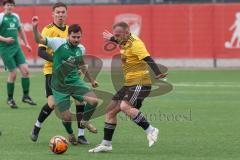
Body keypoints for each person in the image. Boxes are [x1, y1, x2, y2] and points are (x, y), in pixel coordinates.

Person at [89, 22, 167, 153]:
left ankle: (151, 130)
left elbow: (147, 58)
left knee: (125, 106)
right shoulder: (123, 40)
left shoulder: (136, 44)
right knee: (110, 111)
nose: (116, 38)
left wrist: (157, 72)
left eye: (118, 35)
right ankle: (106, 144)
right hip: (129, 83)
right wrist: (112, 38)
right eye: (115, 35)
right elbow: (120, 40)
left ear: (127, 33)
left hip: (140, 83)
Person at [30, 2, 97, 145]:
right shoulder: (49, 31)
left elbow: (78, 59)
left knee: (81, 101)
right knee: (52, 104)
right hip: (52, 72)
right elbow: (40, 50)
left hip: (72, 74)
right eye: (58, 12)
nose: (60, 15)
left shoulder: (70, 31)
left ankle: (81, 134)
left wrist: (86, 76)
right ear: (53, 13)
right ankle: (37, 125)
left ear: (66, 13)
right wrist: (58, 62)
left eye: (63, 12)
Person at [0, 0, 36, 108]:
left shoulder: (16, 16)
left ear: (13, 6)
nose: (10, 6)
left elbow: (21, 30)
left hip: (17, 48)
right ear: (4, 6)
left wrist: (26, 44)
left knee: (25, 71)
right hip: (5, 49)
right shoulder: (1, 17)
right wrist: (5, 39)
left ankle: (26, 96)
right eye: (8, 5)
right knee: (13, 73)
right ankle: (10, 99)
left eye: (11, 5)